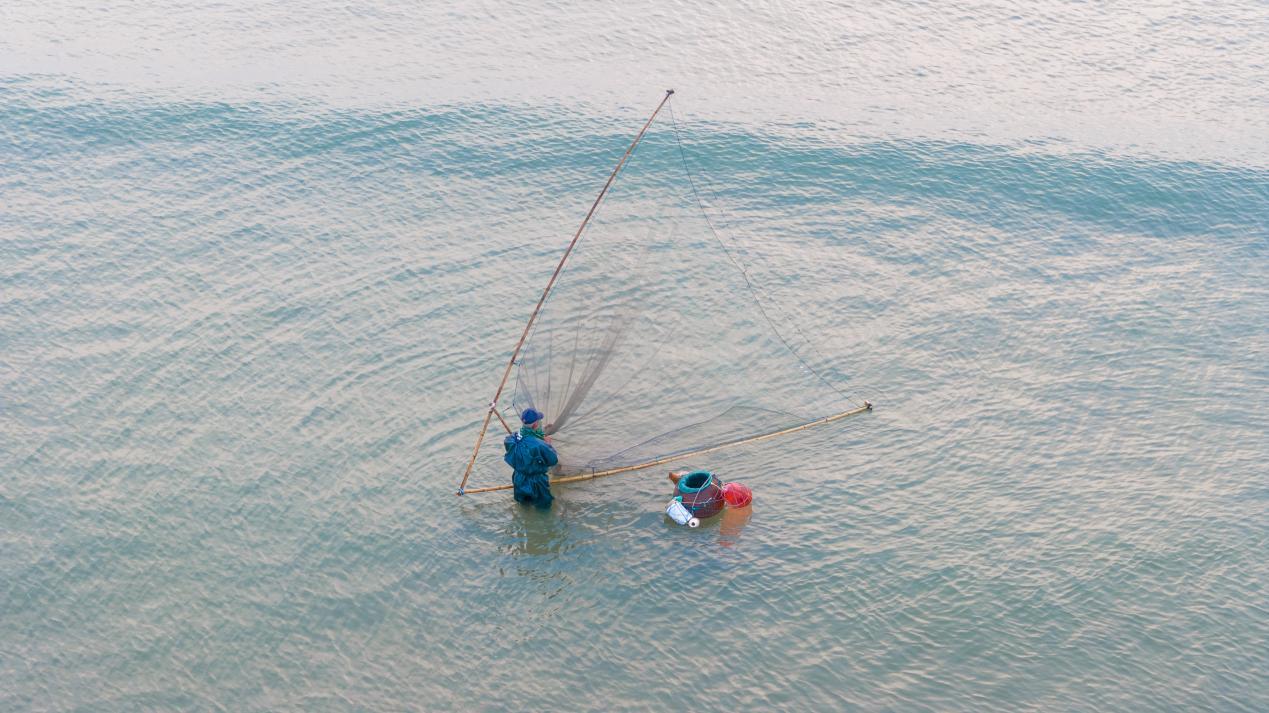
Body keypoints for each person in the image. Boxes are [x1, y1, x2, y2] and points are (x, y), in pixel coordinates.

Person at [504, 408, 558, 508]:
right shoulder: (539, 445)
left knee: (523, 506)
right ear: (535, 425)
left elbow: (528, 441)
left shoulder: (511, 439)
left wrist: (542, 435)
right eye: (538, 421)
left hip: (518, 478)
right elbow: (553, 460)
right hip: (537, 482)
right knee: (544, 508)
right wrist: (549, 445)